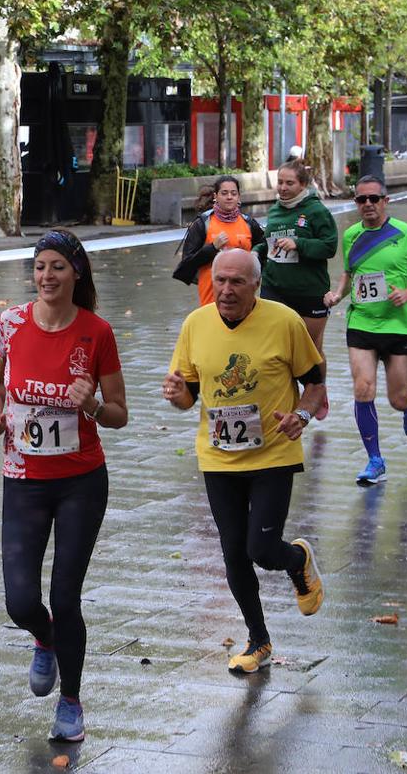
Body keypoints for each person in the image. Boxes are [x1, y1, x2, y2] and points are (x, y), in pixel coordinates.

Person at [0, 229, 127, 743]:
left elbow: (119, 414)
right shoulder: (12, 323)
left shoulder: (97, 332)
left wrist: (90, 404)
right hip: (23, 479)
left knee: (66, 598)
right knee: (21, 602)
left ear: (76, 273)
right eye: (40, 266)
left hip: (80, 482)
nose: (46, 275)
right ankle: (44, 641)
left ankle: (71, 702)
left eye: (57, 267)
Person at [163, 249, 325, 675]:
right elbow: (187, 396)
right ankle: (258, 640)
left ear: (257, 284)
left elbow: (315, 382)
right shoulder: (196, 325)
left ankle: (297, 560)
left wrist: (302, 416)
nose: (227, 290)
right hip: (219, 457)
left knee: (262, 549)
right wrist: (176, 393)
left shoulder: (284, 322)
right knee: (233, 552)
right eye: (220, 281)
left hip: (273, 451)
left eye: (237, 282)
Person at [324, 175, 407, 485]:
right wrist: (338, 295)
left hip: (398, 324)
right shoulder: (350, 235)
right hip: (361, 321)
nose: (367, 205)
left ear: (385, 201)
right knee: (363, 388)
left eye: (373, 198)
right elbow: (350, 276)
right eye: (361, 200)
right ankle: (375, 459)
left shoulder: (406, 233)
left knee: (397, 399)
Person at [254, 159, 338, 419]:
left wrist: (299, 244)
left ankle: (316, 390)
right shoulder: (275, 211)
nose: (283, 187)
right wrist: (254, 255)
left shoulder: (316, 211)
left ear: (303, 184)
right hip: (275, 287)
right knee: (277, 347)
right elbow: (268, 244)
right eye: (280, 182)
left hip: (309, 290)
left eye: (289, 183)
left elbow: (329, 246)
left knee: (310, 348)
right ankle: (284, 397)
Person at [173, 175, 266, 306]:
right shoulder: (202, 224)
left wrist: (255, 254)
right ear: (215, 196)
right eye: (224, 193)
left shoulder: (249, 223)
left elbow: (264, 249)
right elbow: (186, 264)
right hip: (211, 299)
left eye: (233, 193)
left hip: (244, 299)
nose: (229, 197)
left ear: (238, 197)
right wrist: (212, 248)